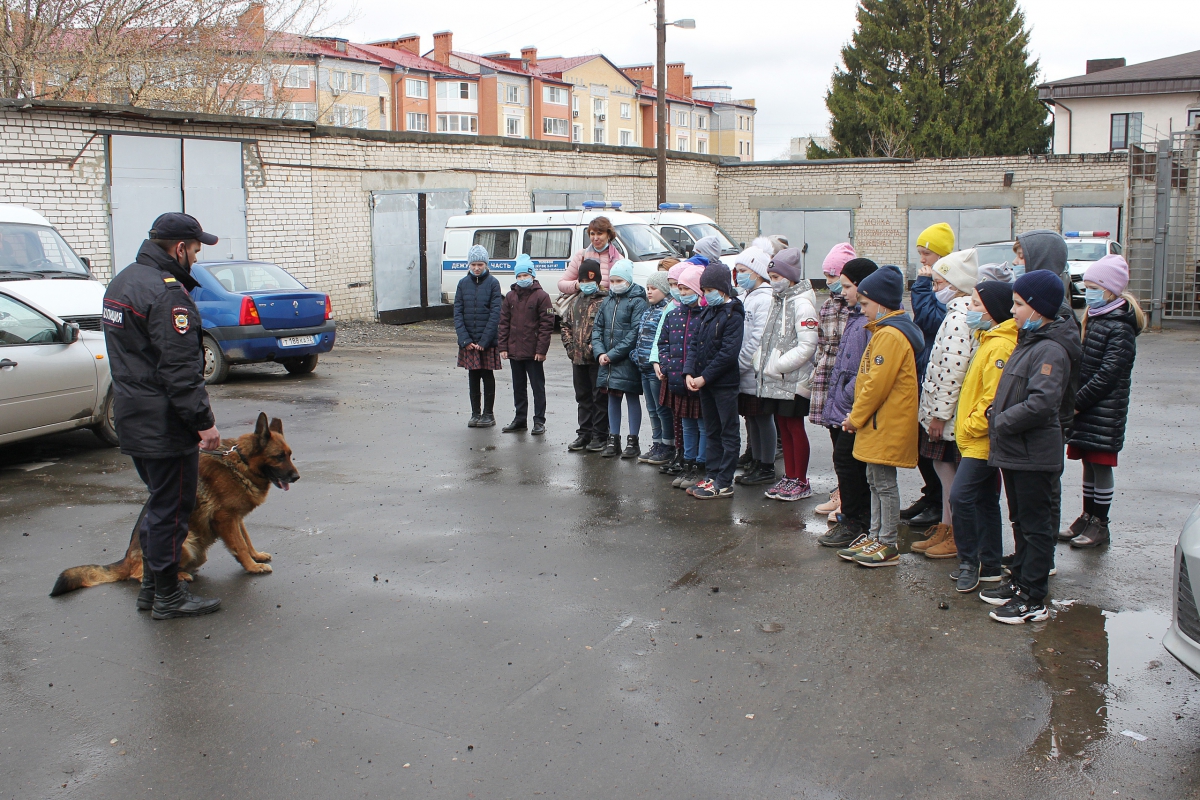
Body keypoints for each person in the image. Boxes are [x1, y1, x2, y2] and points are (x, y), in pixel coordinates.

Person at [101, 212, 222, 619]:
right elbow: (180, 370)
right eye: (196, 250)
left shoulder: (123, 281)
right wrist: (203, 424)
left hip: (133, 415)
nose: (196, 259)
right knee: (172, 511)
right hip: (164, 423)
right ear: (179, 248)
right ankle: (169, 597)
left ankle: (151, 590)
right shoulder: (168, 294)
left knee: (159, 504)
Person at [981, 271, 1082, 624]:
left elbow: (1041, 403)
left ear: (1039, 309)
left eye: (1019, 304)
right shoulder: (1030, 340)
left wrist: (1001, 421)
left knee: (1036, 526)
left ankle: (1033, 598)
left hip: (1033, 452)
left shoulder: (1050, 348)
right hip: (1016, 449)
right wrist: (996, 411)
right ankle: (1021, 581)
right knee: (1021, 521)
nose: (1013, 310)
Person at [836, 264, 923, 567]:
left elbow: (876, 385)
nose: (862, 309)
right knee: (874, 480)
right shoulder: (883, 332)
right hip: (877, 423)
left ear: (882, 303)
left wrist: (855, 417)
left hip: (884, 424)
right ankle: (875, 536)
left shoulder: (890, 336)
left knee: (883, 484)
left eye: (865, 303)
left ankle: (887, 542)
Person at [1062, 255, 1145, 548]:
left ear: (1110, 290)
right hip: (1088, 408)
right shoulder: (1096, 318)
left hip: (1104, 411)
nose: (1089, 293)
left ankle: (1101, 524)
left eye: (1094, 288)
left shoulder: (1120, 326)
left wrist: (1077, 402)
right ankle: (1087, 516)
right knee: (1087, 462)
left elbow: (1108, 375)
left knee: (1100, 465)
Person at [947, 281, 1017, 592]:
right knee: (986, 500)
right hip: (976, 438)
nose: (970, 309)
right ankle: (989, 563)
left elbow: (993, 397)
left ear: (992, 311)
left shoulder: (999, 346)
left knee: (960, 497)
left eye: (976, 304)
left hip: (981, 439)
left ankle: (969, 561)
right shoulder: (987, 339)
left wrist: (971, 426)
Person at [912, 248, 980, 559]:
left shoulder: (958, 319)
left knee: (948, 472)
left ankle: (955, 532)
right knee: (944, 469)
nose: (935, 289)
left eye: (939, 284)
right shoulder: (956, 314)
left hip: (948, 414)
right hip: (945, 411)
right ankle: (946, 525)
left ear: (956, 285)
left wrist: (938, 416)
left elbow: (951, 371)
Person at [816, 259, 879, 547]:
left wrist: (848, 393)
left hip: (854, 405)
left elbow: (867, 369)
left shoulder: (868, 321)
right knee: (844, 461)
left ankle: (857, 521)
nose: (842, 292)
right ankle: (853, 517)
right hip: (844, 403)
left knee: (849, 462)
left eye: (847, 286)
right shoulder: (855, 316)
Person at [754, 247, 819, 501]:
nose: (773, 282)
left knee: (794, 427)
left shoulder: (801, 304)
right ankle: (789, 477)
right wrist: (760, 361)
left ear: (790, 277)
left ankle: (800, 479)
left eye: (777, 277)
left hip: (793, 379)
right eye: (771, 277)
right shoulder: (777, 301)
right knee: (783, 425)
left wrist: (778, 365)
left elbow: (807, 345)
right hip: (776, 379)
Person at [904, 222, 956, 530]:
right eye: (920, 253)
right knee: (923, 444)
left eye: (927, 254)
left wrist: (922, 286)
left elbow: (929, 319)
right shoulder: (936, 285)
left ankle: (939, 503)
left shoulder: (948, 289)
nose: (922, 260)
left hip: (939, 378)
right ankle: (931, 494)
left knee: (936, 447)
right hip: (925, 370)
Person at [684, 261, 745, 499]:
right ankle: (712, 474)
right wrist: (689, 372)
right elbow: (694, 344)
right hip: (704, 383)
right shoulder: (708, 312)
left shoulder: (733, 315)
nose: (706, 295)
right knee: (711, 430)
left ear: (722, 289)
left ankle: (724, 481)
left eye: (710, 290)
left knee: (728, 432)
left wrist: (704, 377)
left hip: (723, 384)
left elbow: (728, 354)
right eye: (704, 290)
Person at [809, 242, 857, 516]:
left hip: (848, 381)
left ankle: (848, 496)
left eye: (833, 276)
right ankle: (841, 491)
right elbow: (821, 342)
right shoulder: (827, 306)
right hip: (828, 376)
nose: (828, 281)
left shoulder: (856, 308)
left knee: (847, 446)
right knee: (835, 440)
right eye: (826, 275)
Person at [656, 262, 708, 488]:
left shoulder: (706, 316)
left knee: (703, 426)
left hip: (698, 381)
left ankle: (701, 465)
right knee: (687, 425)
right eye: (680, 288)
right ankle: (688, 462)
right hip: (678, 380)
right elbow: (663, 343)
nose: (682, 292)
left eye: (687, 288)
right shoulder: (673, 315)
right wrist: (668, 365)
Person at [592, 259, 649, 458]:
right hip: (607, 361)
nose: (615, 284)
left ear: (628, 280)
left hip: (626, 360)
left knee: (632, 398)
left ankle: (633, 441)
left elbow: (635, 333)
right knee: (612, 398)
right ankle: (613, 439)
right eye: (612, 281)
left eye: (619, 280)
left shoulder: (638, 302)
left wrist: (612, 354)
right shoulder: (607, 301)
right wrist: (600, 352)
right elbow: (597, 328)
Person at [733, 245, 778, 487]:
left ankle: (766, 465)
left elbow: (757, 339)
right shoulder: (746, 296)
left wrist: (740, 363)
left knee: (762, 417)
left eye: (743, 271)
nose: (739, 276)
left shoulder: (765, 299)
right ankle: (757, 460)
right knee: (751, 418)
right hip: (744, 371)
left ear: (757, 272)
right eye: (738, 271)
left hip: (756, 370)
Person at [498, 255, 554, 435]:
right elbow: (504, 323)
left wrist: (541, 350)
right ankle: (520, 419)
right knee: (518, 387)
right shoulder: (510, 297)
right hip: (514, 351)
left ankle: (539, 421)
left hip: (533, 352)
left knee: (537, 387)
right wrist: (503, 346)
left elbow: (547, 325)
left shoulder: (542, 297)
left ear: (532, 275)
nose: (522, 279)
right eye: (519, 276)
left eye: (525, 275)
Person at [560, 259, 609, 452]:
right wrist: (570, 347)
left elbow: (607, 330)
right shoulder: (575, 301)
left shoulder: (605, 302)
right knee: (583, 397)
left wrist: (595, 348)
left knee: (599, 398)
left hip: (597, 360)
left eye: (590, 281)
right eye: (583, 281)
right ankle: (584, 433)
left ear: (597, 281)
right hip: (578, 359)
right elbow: (565, 325)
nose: (586, 284)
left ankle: (600, 435)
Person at [454, 243, 503, 428]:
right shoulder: (462, 284)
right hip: (469, 340)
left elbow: (495, 314)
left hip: (486, 341)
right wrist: (465, 340)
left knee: (487, 375)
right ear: (469, 264)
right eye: (473, 264)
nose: (476, 268)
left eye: (480, 264)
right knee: (473, 376)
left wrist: (484, 341)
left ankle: (488, 414)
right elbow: (457, 313)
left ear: (486, 264)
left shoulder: (493, 283)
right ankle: (475, 413)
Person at [633, 270, 677, 465]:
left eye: (654, 288)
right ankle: (657, 443)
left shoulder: (665, 310)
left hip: (656, 370)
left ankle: (668, 445)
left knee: (662, 409)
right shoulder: (648, 310)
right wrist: (636, 355)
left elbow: (661, 340)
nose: (649, 292)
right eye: (647, 288)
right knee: (652, 409)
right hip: (643, 367)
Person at [560, 216, 621, 294]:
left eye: (599, 233)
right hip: (584, 301)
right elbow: (561, 283)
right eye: (592, 234)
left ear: (608, 235)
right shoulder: (581, 256)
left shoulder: (619, 260)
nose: (595, 238)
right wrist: (579, 285)